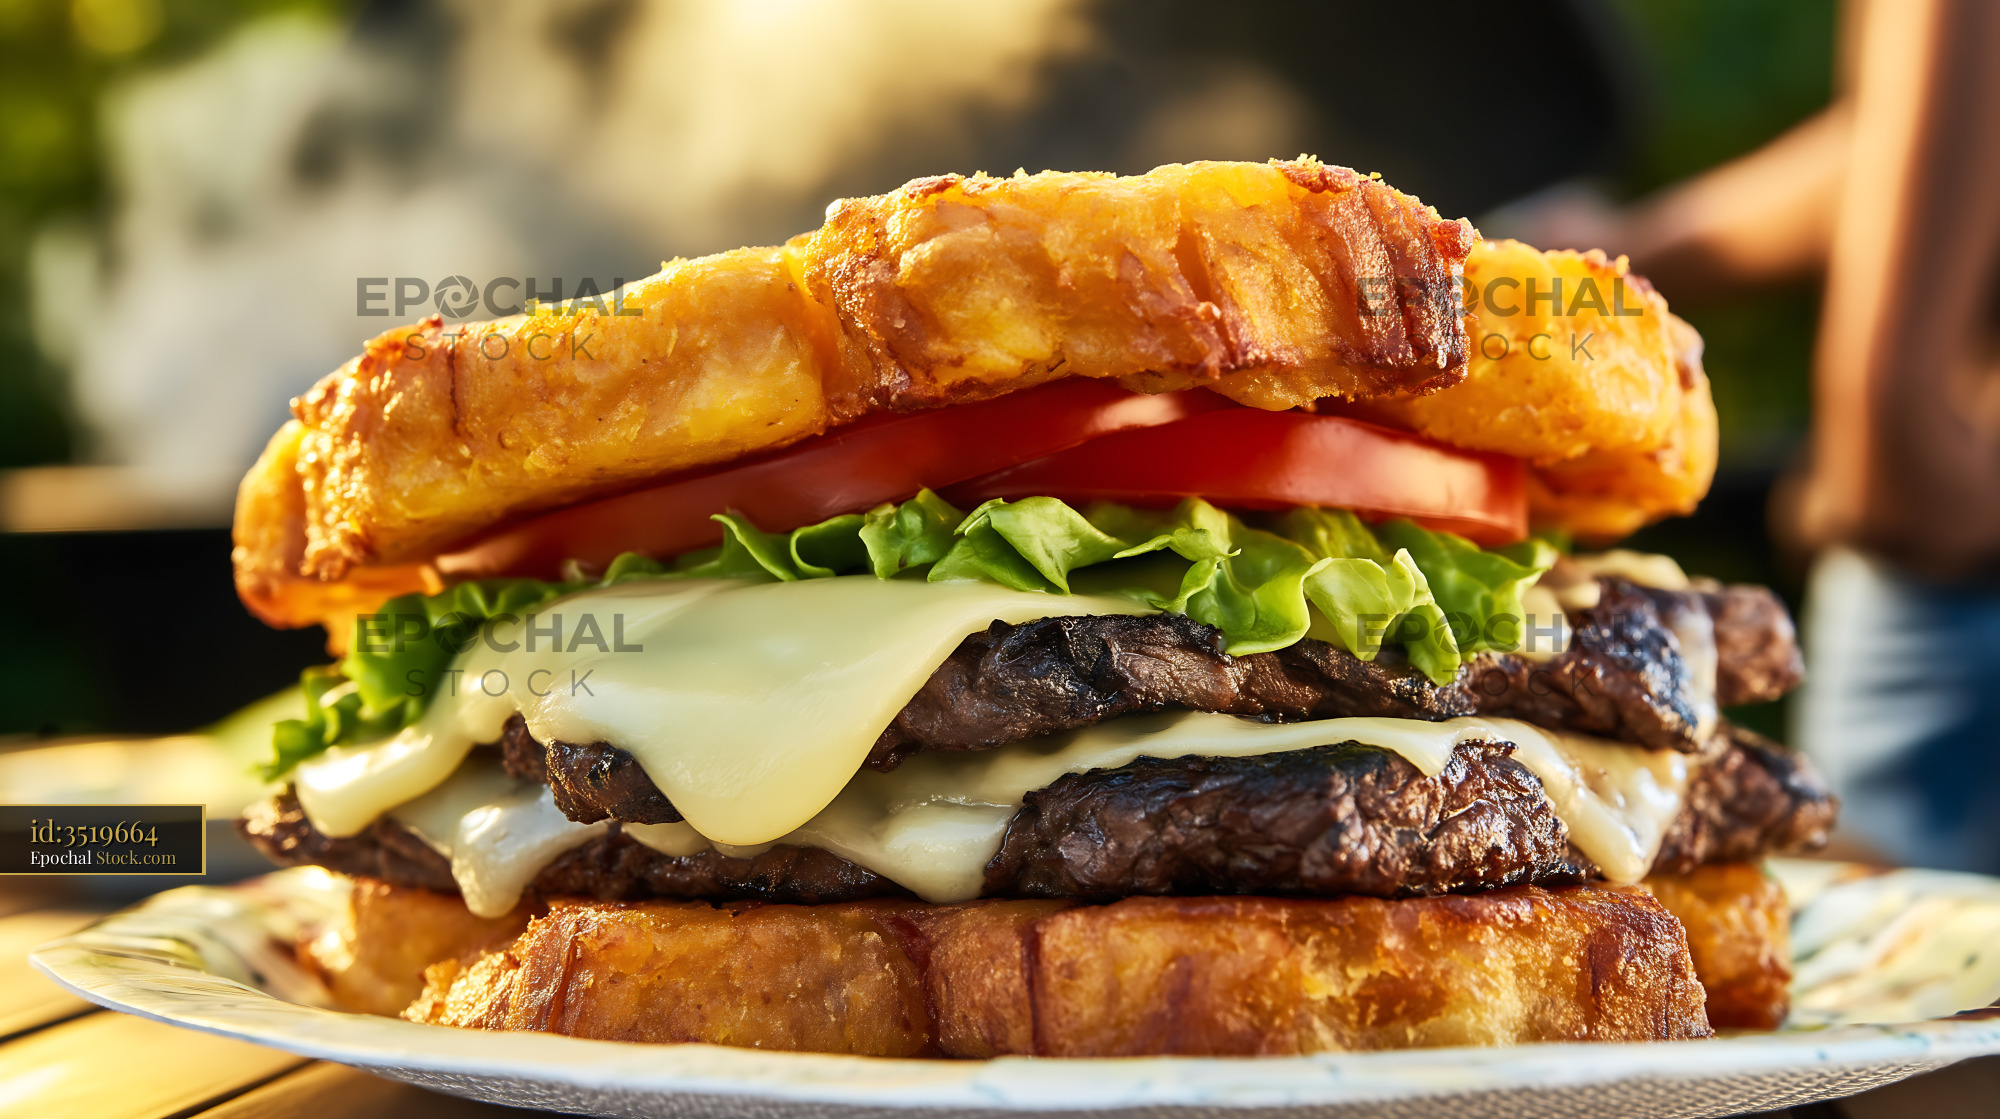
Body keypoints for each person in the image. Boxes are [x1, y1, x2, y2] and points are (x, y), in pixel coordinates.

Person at [1505, 0, 2000, 871]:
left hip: (1955, 611)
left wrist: (1899, 466)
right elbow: (1934, 136)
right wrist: (1613, 253)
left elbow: (1890, 401)